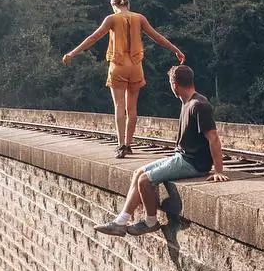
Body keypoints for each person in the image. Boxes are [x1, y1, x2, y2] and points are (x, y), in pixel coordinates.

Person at [94, 65, 229, 236]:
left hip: (192, 163)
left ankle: (151, 222)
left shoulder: (199, 105)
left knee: (145, 181)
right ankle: (120, 222)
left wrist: (218, 170)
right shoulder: (187, 102)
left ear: (174, 84)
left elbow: (214, 138)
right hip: (181, 157)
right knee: (138, 173)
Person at [62, 0, 184, 158]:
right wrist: (176, 50)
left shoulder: (111, 19)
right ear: (128, 4)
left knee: (119, 107)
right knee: (132, 108)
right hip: (135, 67)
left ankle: (120, 146)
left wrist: (72, 53)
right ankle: (128, 144)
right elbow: (157, 37)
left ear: (113, 5)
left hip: (118, 66)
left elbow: (94, 37)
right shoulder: (139, 18)